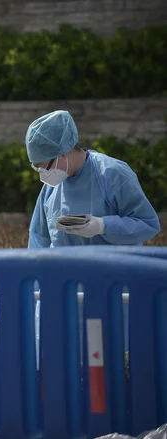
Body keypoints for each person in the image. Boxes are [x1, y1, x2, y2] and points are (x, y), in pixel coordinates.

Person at [26, 110, 160, 366]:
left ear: (64, 151)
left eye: (45, 166)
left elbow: (147, 224)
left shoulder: (111, 173)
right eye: (37, 167)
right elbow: (38, 240)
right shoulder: (50, 189)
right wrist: (35, 293)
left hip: (108, 293)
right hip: (62, 297)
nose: (43, 173)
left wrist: (102, 225)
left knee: (103, 371)